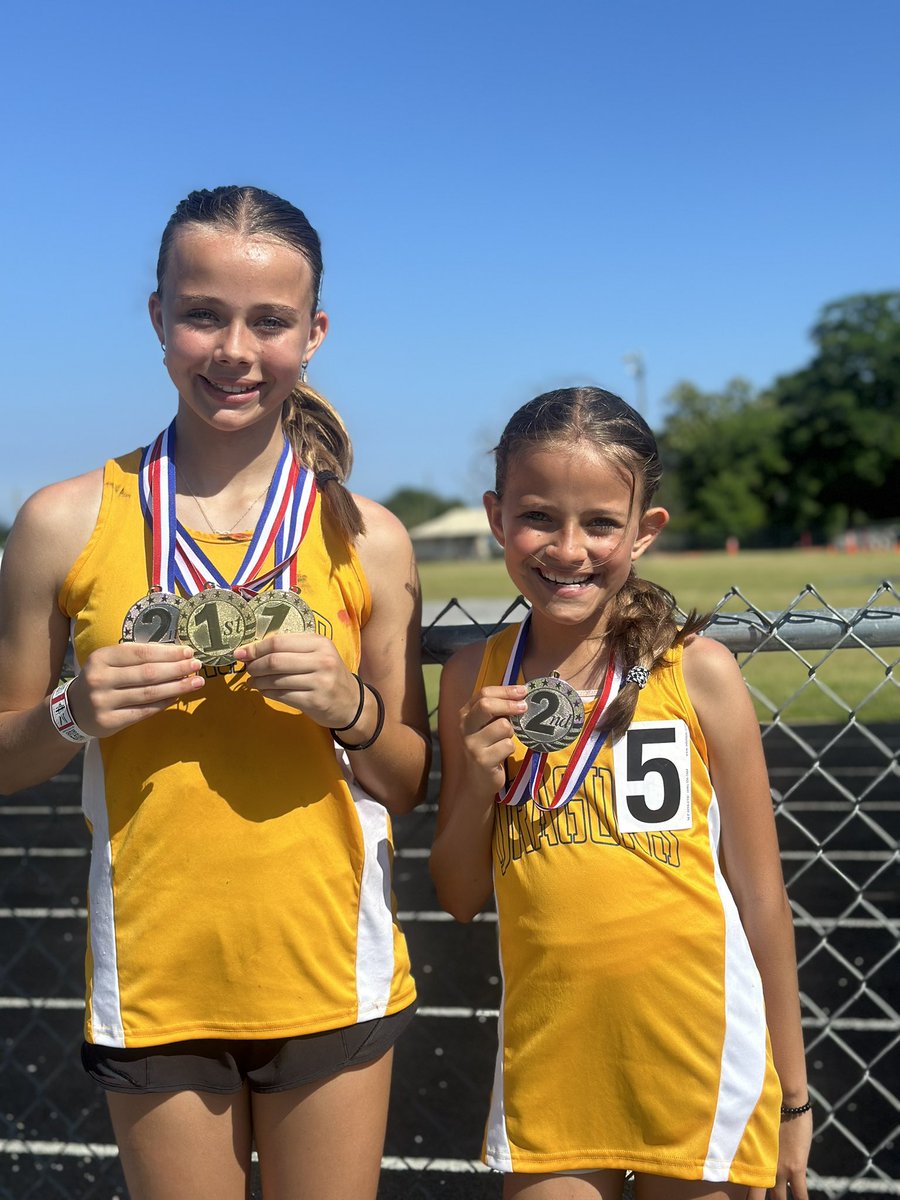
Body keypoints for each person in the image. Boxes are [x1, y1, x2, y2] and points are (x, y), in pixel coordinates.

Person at [0, 185, 431, 1200]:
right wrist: (74, 710)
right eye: (203, 313)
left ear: (312, 334)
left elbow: (406, 778)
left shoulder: (368, 534)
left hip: (332, 966)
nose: (234, 349)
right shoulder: (62, 523)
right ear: (158, 318)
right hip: (155, 975)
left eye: (269, 321)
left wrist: (348, 707)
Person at [430, 387, 812, 1200]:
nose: (569, 550)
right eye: (539, 516)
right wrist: (475, 785)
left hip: (703, 1059)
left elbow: (761, 895)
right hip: (551, 1059)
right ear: (497, 517)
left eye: (600, 523)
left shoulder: (697, 671)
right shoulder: (472, 678)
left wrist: (796, 1097)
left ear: (645, 530)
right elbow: (459, 896)